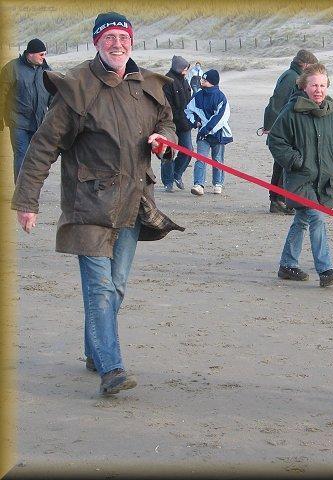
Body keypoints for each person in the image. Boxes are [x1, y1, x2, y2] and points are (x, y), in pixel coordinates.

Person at [10, 12, 183, 396]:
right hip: (88, 204)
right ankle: (111, 368)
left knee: (116, 286)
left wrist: (163, 139)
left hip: (133, 203)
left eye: (123, 37)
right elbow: (42, 147)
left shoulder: (148, 85)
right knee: (101, 288)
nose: (117, 44)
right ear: (96, 43)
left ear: (132, 42)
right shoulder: (77, 88)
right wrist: (28, 201)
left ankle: (94, 351)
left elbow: (168, 121)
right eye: (109, 38)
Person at [267, 63, 333, 288]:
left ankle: (287, 265)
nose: (318, 90)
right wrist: (295, 161)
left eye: (322, 85)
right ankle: (326, 270)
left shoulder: (331, 113)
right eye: (314, 85)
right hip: (300, 178)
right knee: (317, 218)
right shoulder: (292, 111)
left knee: (302, 220)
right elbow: (275, 141)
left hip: (323, 179)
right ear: (304, 86)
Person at [263, 49, 318, 215]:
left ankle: (280, 199)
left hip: (286, 126)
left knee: (284, 165)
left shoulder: (293, 75)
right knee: (283, 164)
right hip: (284, 128)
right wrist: (271, 126)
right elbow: (277, 101)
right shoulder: (291, 77)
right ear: (305, 64)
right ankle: (278, 200)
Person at [0, 38, 51, 183]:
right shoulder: (11, 68)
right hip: (18, 122)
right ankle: (21, 191)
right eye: (41, 54)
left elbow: (54, 98)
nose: (44, 57)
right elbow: (1, 94)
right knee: (21, 155)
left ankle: (30, 189)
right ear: (30, 54)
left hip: (39, 122)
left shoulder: (47, 70)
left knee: (36, 157)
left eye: (45, 54)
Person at [184, 69, 233, 196]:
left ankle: (218, 183)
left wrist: (207, 129)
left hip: (218, 134)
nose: (201, 81)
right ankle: (198, 184)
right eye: (202, 79)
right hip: (203, 135)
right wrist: (195, 122)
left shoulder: (220, 97)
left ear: (212, 82)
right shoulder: (198, 95)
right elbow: (188, 110)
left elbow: (221, 117)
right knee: (200, 158)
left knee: (217, 160)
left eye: (204, 80)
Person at [161, 55, 193, 192]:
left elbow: (190, 102)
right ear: (179, 68)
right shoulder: (167, 81)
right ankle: (168, 182)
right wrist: (178, 118)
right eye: (185, 68)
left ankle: (176, 174)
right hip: (170, 124)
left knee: (188, 151)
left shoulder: (185, 81)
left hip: (185, 123)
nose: (186, 71)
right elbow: (167, 105)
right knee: (168, 153)